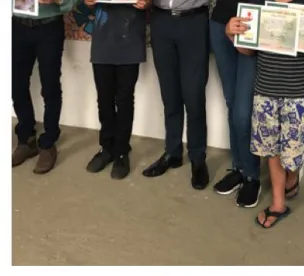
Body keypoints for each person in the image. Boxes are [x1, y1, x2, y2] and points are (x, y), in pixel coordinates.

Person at [225, 3, 304, 224]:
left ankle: (293, 176)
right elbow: (249, 50)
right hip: (265, 90)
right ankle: (278, 203)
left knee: (293, 153)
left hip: (300, 94)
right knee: (271, 148)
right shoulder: (260, 6)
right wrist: (232, 35)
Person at [142, 0, 211, 190]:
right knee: (169, 94)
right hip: (161, 20)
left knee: (194, 96)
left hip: (193, 21)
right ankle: (172, 152)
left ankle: (197, 158)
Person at [83, 0, 149, 180]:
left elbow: (151, 3)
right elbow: (88, 4)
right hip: (102, 41)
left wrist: (148, 3)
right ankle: (106, 148)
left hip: (130, 38)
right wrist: (89, 3)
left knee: (124, 100)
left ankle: (121, 151)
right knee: (104, 99)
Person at [12, 0, 78, 174]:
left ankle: (48, 143)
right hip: (17, 25)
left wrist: (58, 1)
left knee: (50, 86)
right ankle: (26, 139)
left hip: (49, 27)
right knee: (16, 84)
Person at [210, 0, 262, 201]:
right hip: (221, 23)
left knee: (243, 112)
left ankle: (251, 175)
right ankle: (239, 168)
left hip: (254, 21)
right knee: (232, 103)